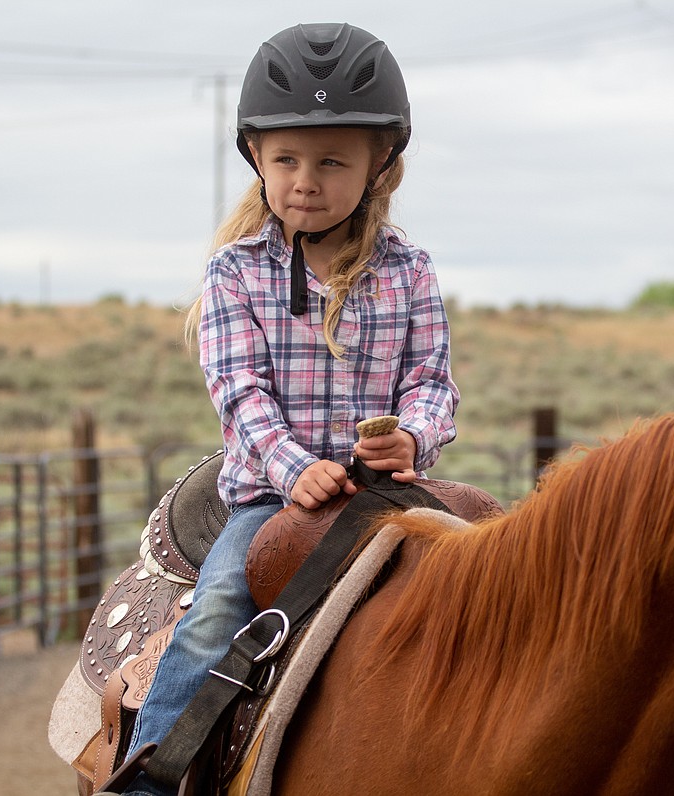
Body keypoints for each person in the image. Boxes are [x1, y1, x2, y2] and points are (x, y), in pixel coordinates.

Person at [114, 21, 459, 796]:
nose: (306, 179)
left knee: (492, 574)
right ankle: (152, 776)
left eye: (332, 160)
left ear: (381, 168)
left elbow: (433, 381)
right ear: (258, 161)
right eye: (287, 159)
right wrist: (296, 470)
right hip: (272, 499)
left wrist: (413, 435)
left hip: (386, 494)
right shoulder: (236, 273)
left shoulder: (408, 271)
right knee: (218, 609)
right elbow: (241, 394)